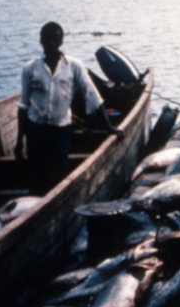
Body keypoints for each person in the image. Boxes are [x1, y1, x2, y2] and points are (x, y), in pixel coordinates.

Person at [14, 22, 123, 192]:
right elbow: (23, 106)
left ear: (61, 41)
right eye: (47, 39)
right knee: (36, 176)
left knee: (58, 176)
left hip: (60, 130)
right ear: (41, 41)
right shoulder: (30, 68)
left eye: (55, 39)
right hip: (35, 131)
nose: (51, 43)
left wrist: (109, 126)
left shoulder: (74, 66)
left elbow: (92, 95)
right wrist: (19, 141)